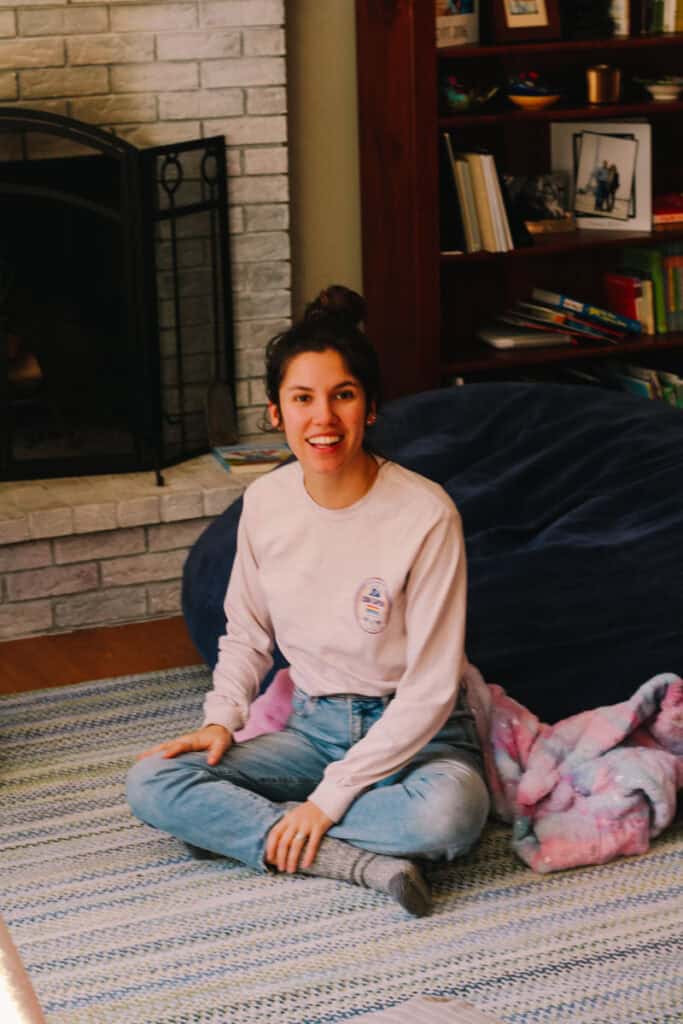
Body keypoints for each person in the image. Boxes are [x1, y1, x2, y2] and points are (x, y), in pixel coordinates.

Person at [126, 286, 490, 917]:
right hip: (314, 731)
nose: (323, 418)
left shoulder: (426, 515)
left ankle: (258, 830)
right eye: (303, 399)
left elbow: (431, 690)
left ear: (370, 408)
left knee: (449, 815)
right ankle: (354, 861)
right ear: (276, 413)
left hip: (423, 738)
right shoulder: (266, 505)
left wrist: (329, 800)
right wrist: (221, 718)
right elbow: (246, 634)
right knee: (152, 780)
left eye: (342, 396)